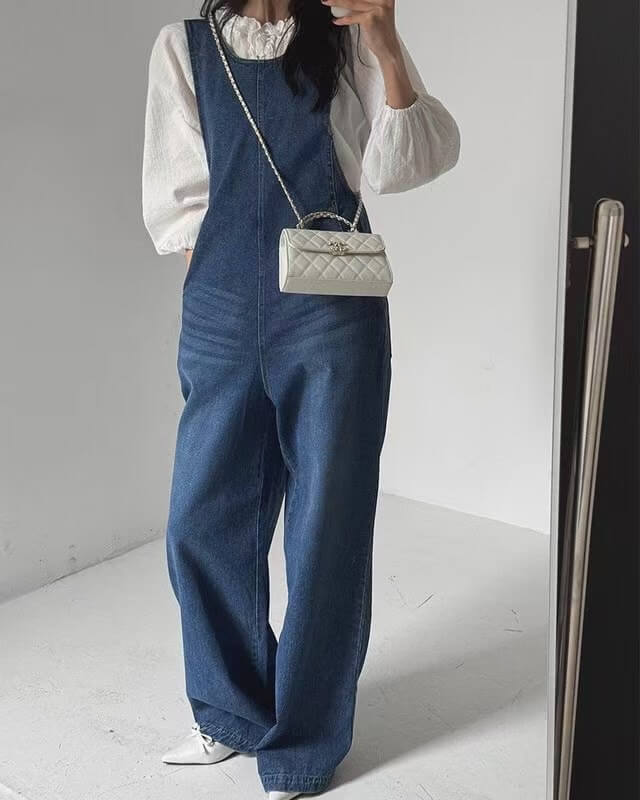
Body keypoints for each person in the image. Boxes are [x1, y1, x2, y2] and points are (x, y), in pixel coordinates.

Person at [142, 1, 459, 797]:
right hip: (220, 305)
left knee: (327, 526)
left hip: (329, 307)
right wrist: (214, 295)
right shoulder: (185, 48)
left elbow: (406, 164)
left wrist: (387, 45)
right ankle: (231, 712)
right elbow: (180, 194)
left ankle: (305, 744)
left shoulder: (347, 40)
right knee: (202, 518)